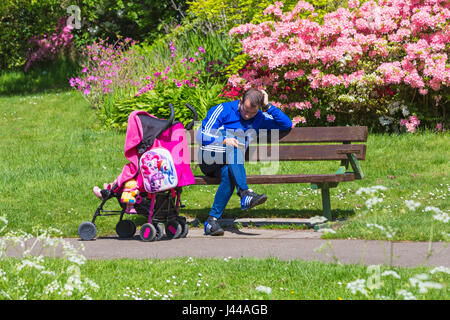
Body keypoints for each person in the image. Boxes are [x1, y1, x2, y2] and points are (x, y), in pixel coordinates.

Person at [197, 88, 292, 236]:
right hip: (209, 157)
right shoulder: (223, 109)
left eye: (252, 112)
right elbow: (202, 135)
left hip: (230, 163)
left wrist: (268, 106)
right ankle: (244, 193)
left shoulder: (259, 117)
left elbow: (286, 124)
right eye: (245, 110)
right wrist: (223, 140)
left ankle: (211, 221)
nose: (247, 116)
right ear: (240, 101)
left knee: (230, 174)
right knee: (235, 144)